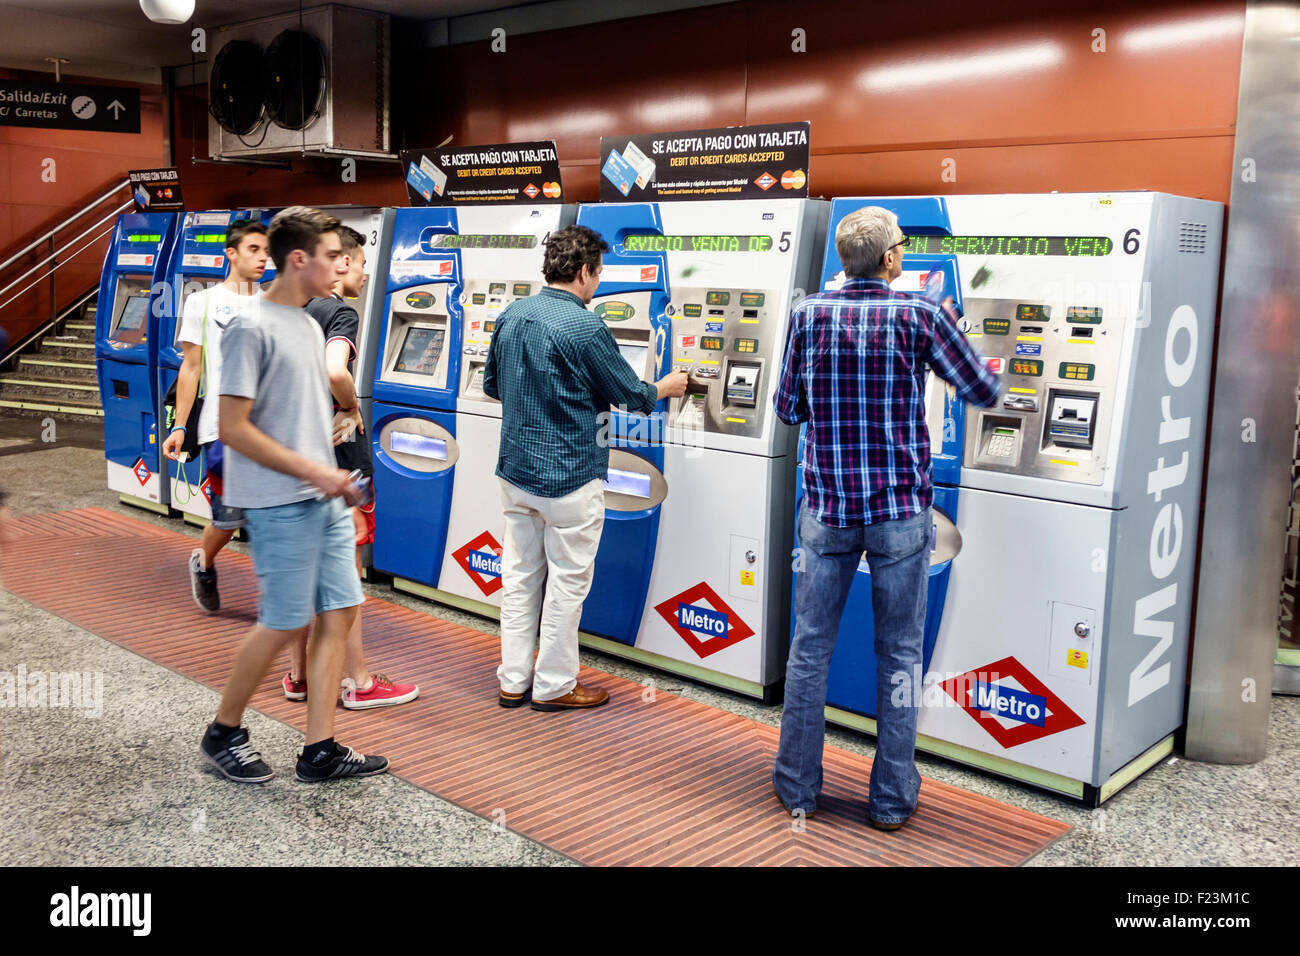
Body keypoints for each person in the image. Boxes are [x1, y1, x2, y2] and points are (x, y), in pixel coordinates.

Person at [771, 206, 999, 830]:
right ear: (892, 259)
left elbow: (787, 408)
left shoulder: (808, 314)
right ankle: (892, 800)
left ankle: (797, 787)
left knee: (809, 651)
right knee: (899, 655)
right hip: (900, 512)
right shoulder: (921, 313)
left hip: (827, 507)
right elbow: (983, 389)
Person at [199, 206, 388, 784]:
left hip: (323, 499)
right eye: (333, 255)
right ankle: (223, 732)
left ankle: (320, 748)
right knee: (284, 620)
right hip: (279, 501)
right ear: (301, 259)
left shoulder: (309, 325)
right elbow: (234, 427)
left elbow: (305, 409)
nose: (344, 264)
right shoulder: (250, 328)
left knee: (340, 610)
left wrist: (337, 444)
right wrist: (314, 472)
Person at [484, 225, 688, 712]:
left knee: (518, 579)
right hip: (569, 478)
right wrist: (670, 384)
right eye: (597, 274)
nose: (597, 284)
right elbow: (632, 396)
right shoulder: (585, 326)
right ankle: (554, 685)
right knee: (567, 584)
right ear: (583, 272)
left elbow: (493, 385)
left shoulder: (513, 314)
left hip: (515, 473)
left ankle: (513, 680)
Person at [282, 225, 419, 709]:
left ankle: (297, 675)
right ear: (342, 263)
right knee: (345, 575)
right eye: (361, 263)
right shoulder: (339, 310)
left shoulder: (294, 306)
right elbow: (335, 369)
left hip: (298, 458)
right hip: (338, 461)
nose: (363, 273)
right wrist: (350, 407)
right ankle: (359, 683)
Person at [161, 219, 268, 614]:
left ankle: (280, 600)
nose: (262, 258)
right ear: (231, 253)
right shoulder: (201, 302)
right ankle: (203, 561)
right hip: (221, 428)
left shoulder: (275, 303)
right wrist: (179, 426)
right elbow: (191, 368)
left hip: (269, 429)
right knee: (228, 518)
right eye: (254, 249)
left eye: (266, 251)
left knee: (268, 513)